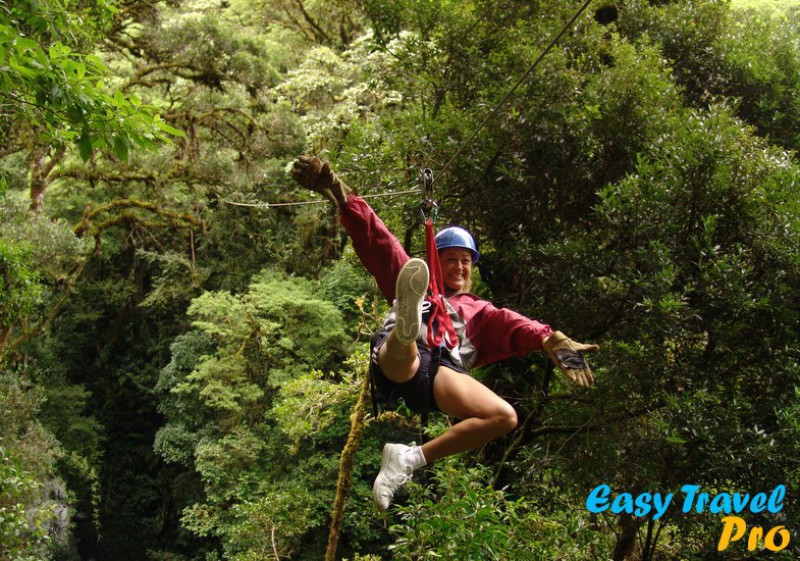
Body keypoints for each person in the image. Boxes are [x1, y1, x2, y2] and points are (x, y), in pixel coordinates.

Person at [291, 156, 599, 509]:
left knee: (504, 416)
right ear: (436, 262)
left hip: (443, 370)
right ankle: (407, 324)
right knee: (406, 345)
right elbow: (377, 239)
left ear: (472, 268)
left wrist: (551, 340)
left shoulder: (481, 312)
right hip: (403, 360)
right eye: (450, 259)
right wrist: (335, 189)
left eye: (465, 261)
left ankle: (409, 458)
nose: (459, 266)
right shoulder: (415, 276)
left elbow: (518, 326)